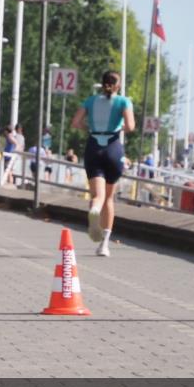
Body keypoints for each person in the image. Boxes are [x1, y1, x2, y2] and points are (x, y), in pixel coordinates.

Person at [70, 70, 136, 257]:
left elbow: (75, 122)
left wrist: (89, 128)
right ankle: (104, 245)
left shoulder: (90, 101)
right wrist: (120, 127)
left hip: (93, 147)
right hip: (113, 148)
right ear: (118, 85)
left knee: (97, 196)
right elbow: (130, 126)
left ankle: (94, 209)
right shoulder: (124, 101)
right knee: (109, 198)